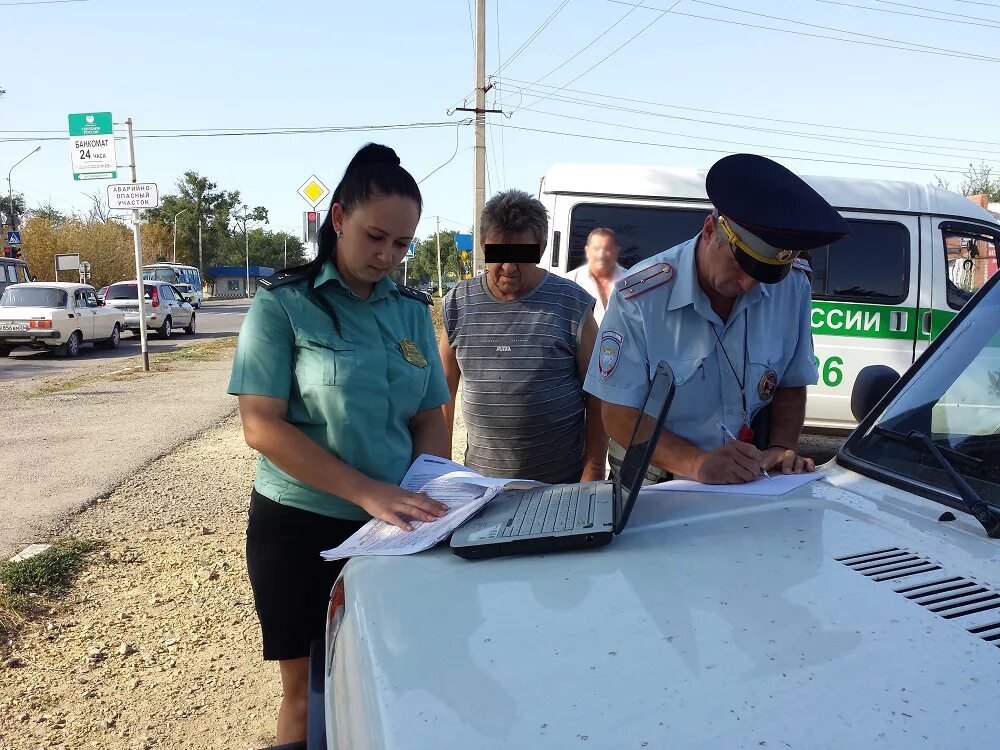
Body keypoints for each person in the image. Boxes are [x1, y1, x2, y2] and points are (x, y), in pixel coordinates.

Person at [228, 143, 451, 744]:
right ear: (339, 219)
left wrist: (428, 489)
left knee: (394, 677)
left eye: (402, 245)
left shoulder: (409, 312)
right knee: (306, 696)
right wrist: (367, 491)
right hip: (301, 526)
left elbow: (431, 411)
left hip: (395, 527)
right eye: (375, 237)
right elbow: (261, 426)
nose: (387, 256)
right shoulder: (285, 304)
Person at [585, 153, 849, 485]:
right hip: (656, 477)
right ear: (711, 230)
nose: (750, 284)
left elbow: (790, 383)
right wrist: (698, 464)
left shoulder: (792, 285)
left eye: (765, 275)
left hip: (748, 477)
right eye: (741, 266)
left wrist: (782, 446)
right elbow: (618, 415)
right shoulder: (640, 297)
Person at [438, 189, 607, 484]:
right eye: (498, 254)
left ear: (540, 249)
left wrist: (592, 470)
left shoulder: (572, 305)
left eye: (521, 255)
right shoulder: (457, 304)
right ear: (483, 245)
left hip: (558, 486)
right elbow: (442, 395)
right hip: (482, 488)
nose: (508, 267)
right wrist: (441, 471)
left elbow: (597, 396)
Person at [566, 227, 628, 324]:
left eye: (607, 249)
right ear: (587, 251)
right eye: (596, 249)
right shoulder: (570, 281)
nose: (601, 255)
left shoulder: (631, 280)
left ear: (616, 251)